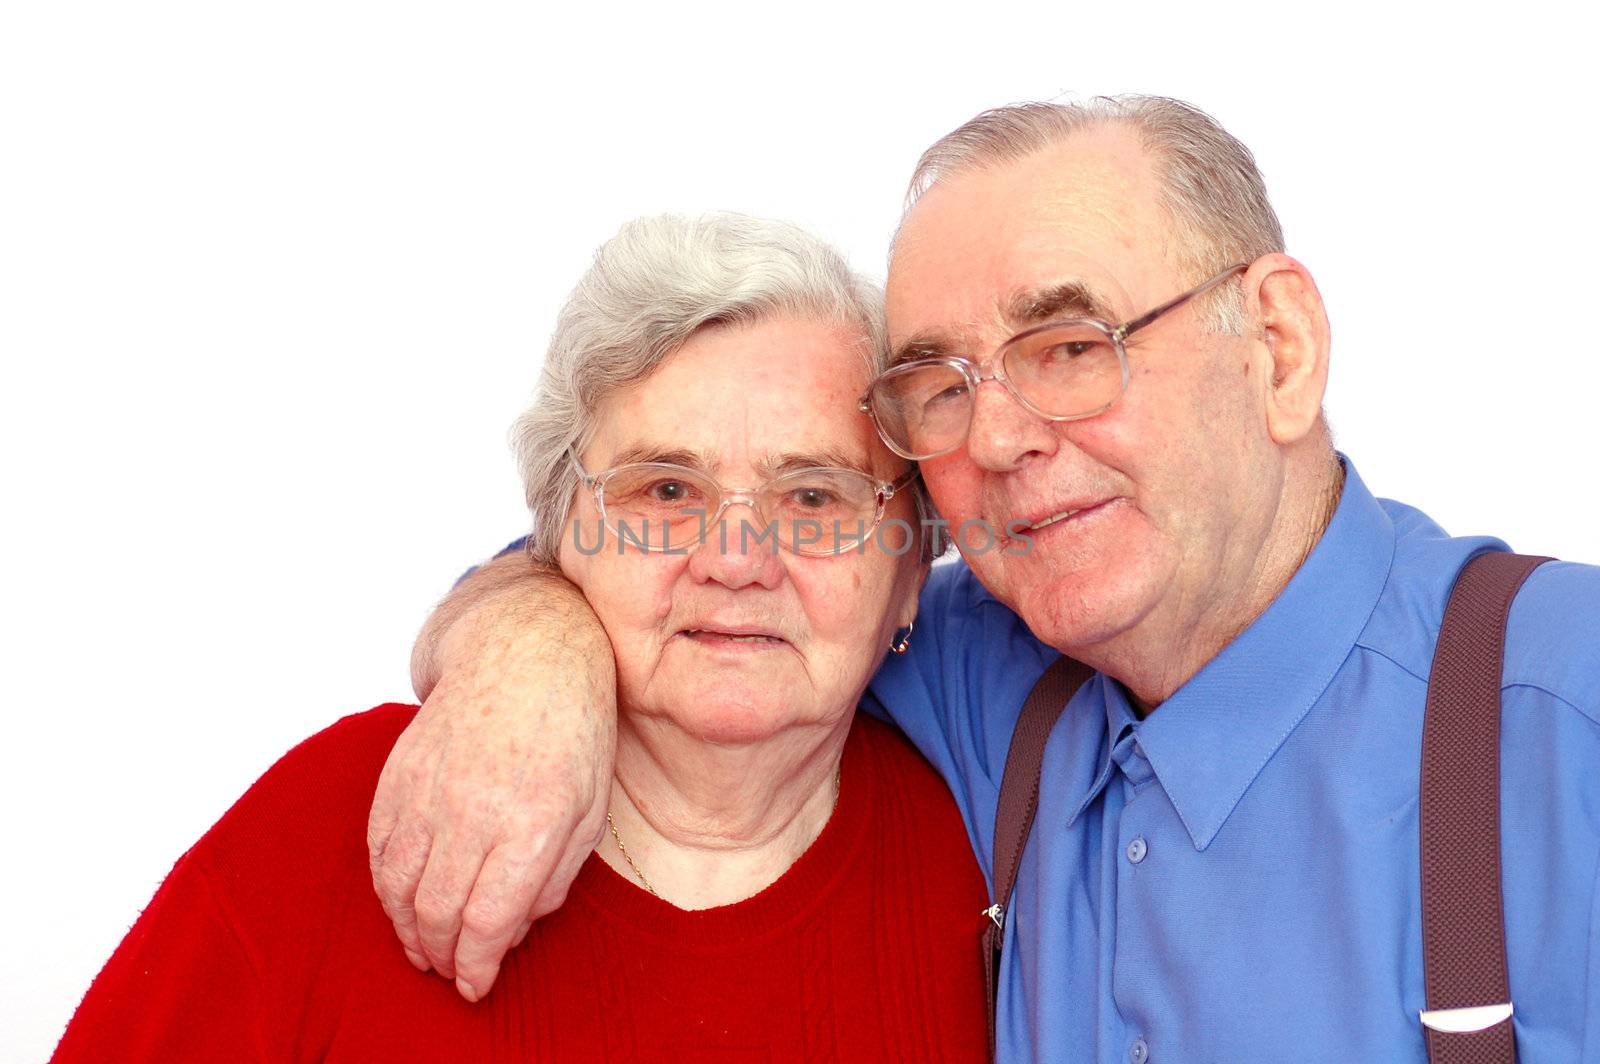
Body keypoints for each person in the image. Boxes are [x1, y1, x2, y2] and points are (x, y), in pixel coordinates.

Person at [367, 96, 1600, 1062]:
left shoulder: (1565, 714)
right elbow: (668, 564)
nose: (998, 440)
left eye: (1070, 348)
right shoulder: (965, 656)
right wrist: (532, 653)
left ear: (1278, 348)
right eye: (939, 389)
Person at [52, 214, 990, 1062]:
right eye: (665, 491)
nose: (736, 559)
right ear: (556, 538)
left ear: (913, 571)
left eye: (814, 497)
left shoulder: (993, 855)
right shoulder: (345, 821)